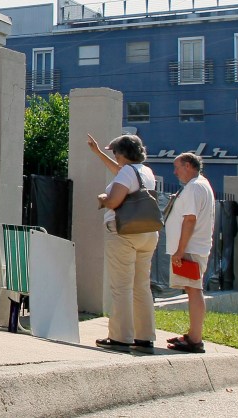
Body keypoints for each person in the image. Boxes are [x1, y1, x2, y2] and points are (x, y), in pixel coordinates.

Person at [86, 133, 159, 353]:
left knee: (121, 287)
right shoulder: (144, 171)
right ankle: (144, 337)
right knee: (141, 286)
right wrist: (98, 153)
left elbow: (114, 201)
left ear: (123, 153)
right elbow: (122, 173)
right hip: (147, 233)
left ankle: (120, 337)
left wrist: (102, 199)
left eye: (115, 152)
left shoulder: (127, 172)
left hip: (124, 233)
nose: (115, 156)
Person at [164, 152, 215, 353]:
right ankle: (193, 336)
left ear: (188, 165)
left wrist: (180, 250)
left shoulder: (194, 187)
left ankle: (195, 339)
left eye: (177, 167)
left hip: (191, 249)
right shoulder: (201, 185)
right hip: (194, 247)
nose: (175, 172)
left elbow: (190, 219)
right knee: (192, 289)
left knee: (194, 290)